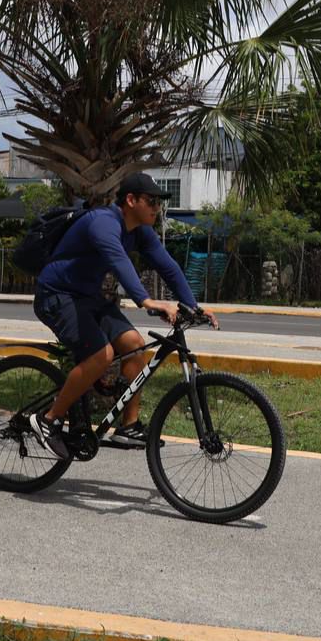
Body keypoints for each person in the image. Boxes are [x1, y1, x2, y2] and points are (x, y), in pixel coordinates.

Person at [29, 171, 219, 460]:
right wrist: (147, 301)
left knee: (134, 344)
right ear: (131, 200)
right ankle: (48, 420)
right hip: (57, 295)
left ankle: (128, 426)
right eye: (151, 201)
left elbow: (168, 267)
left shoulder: (140, 231)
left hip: (88, 298)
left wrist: (193, 307)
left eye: (160, 202)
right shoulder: (103, 223)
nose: (157, 208)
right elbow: (118, 262)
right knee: (102, 355)